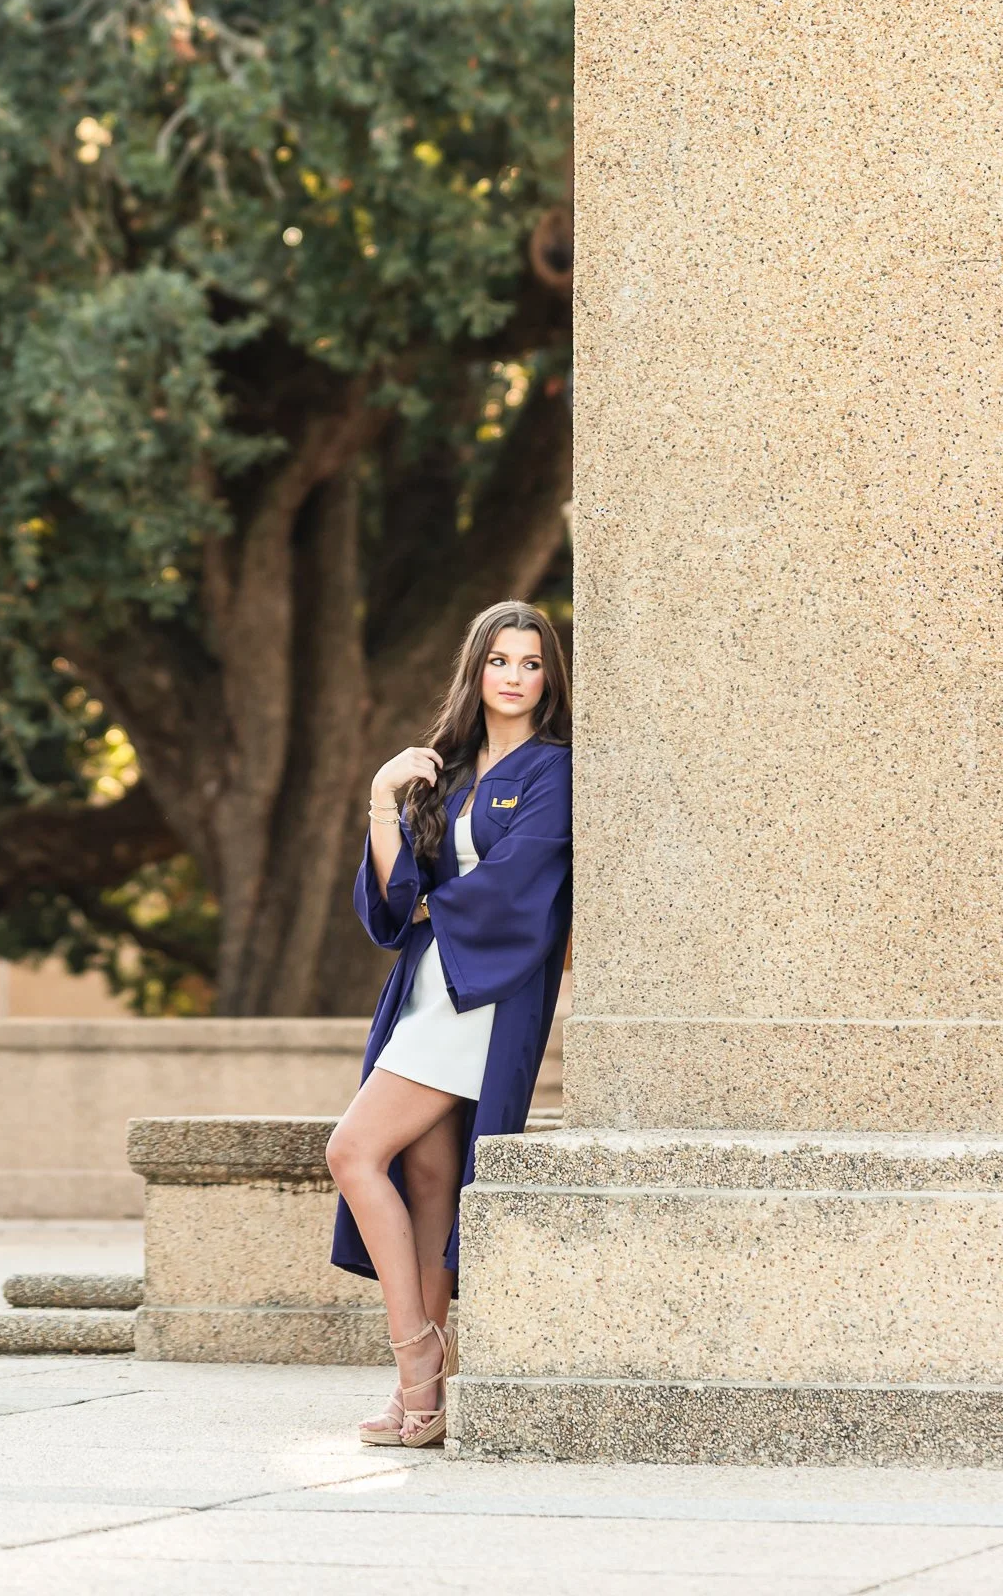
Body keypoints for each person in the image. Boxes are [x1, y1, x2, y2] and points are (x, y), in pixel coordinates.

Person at [324, 597, 573, 1449]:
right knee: (428, 1182)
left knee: (353, 1152)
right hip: (427, 989)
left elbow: (521, 886)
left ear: (549, 676)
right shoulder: (451, 774)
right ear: (476, 670)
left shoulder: (554, 771)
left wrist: (438, 904)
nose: (514, 677)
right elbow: (396, 910)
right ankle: (423, 1393)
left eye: (530, 663)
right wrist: (380, 797)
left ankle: (419, 1360)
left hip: (486, 993)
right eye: (499, 661)